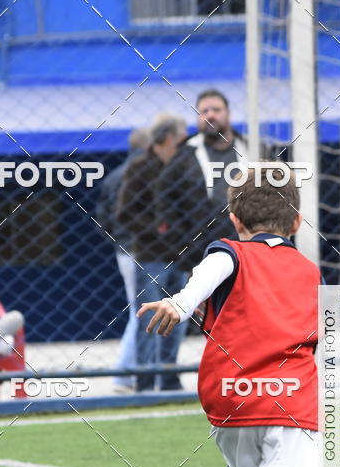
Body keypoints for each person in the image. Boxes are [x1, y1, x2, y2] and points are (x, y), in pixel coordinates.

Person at [138, 165, 332, 467]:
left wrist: (180, 305)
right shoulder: (309, 270)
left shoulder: (228, 249)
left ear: (234, 220)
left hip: (232, 392)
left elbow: (213, 272)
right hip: (290, 392)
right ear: (296, 222)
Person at [116, 115, 187, 392]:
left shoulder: (183, 166)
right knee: (148, 319)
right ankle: (144, 382)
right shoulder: (139, 169)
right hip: (150, 256)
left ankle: (169, 378)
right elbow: (123, 213)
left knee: (177, 318)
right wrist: (156, 228)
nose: (185, 139)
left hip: (180, 254)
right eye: (181, 134)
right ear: (169, 137)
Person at [156, 89, 249, 273]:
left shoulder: (251, 147)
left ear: (228, 113)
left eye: (216, 109)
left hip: (248, 245)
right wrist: (182, 242)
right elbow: (165, 198)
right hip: (200, 253)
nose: (210, 115)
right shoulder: (185, 154)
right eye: (204, 112)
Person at [96, 127, 151, 392]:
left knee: (139, 309)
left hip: (124, 250)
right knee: (142, 312)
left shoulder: (114, 176)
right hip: (145, 249)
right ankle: (126, 375)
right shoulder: (148, 174)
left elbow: (103, 218)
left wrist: (118, 241)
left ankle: (136, 374)